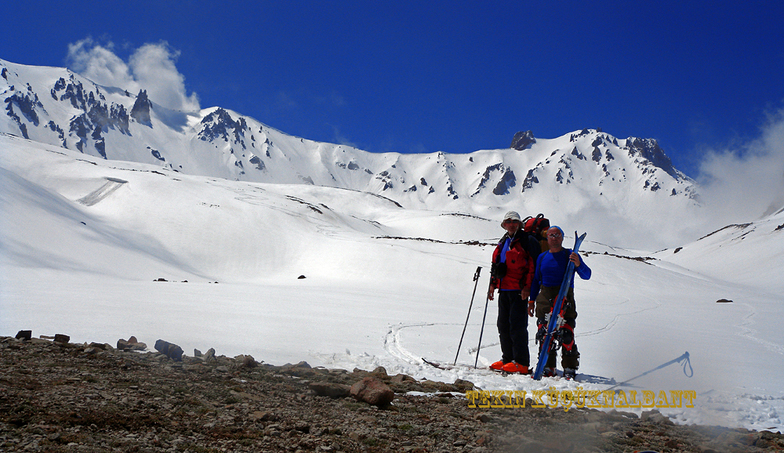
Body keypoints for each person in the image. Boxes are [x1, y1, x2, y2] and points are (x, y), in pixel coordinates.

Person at [529, 226, 591, 379]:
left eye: (557, 235)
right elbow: (536, 280)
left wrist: (578, 264)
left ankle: (570, 367)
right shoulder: (542, 257)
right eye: (551, 235)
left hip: (565, 296)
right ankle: (547, 366)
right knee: (545, 332)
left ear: (562, 238)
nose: (554, 238)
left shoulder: (570, 255)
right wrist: (531, 300)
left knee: (566, 332)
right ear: (547, 238)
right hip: (544, 296)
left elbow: (586, 275)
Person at [487, 211, 536, 374]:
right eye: (508, 222)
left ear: (519, 224)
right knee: (503, 325)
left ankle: (521, 362)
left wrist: (527, 288)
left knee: (517, 326)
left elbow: (532, 267)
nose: (511, 224)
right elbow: (496, 264)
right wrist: (492, 285)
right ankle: (508, 358)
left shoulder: (526, 241)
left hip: (518, 291)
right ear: (504, 225)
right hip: (504, 289)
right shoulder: (504, 241)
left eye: (514, 222)